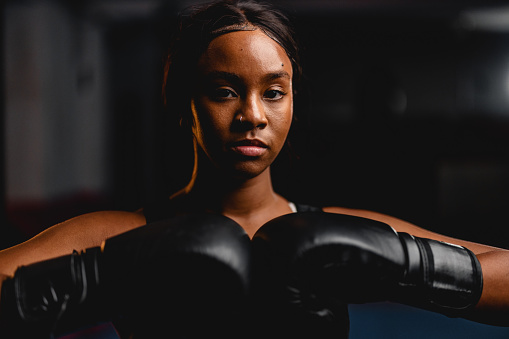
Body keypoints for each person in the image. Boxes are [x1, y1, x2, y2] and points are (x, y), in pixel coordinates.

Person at [0, 0, 508, 337]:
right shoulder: (125, 233)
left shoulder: (333, 229)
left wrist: (408, 267)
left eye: (273, 92)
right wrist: (101, 277)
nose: (252, 115)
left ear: (291, 104)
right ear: (184, 106)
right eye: (224, 91)